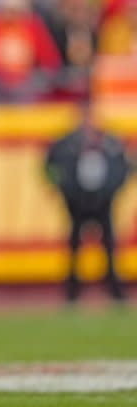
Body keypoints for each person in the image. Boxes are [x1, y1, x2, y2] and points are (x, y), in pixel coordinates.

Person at [45, 105, 130, 302]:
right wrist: (65, 189)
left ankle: (114, 289)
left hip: (103, 202)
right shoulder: (65, 144)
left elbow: (125, 168)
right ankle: (72, 291)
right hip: (77, 203)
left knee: (109, 246)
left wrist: (112, 190)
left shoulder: (110, 143)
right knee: (74, 246)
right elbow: (48, 168)